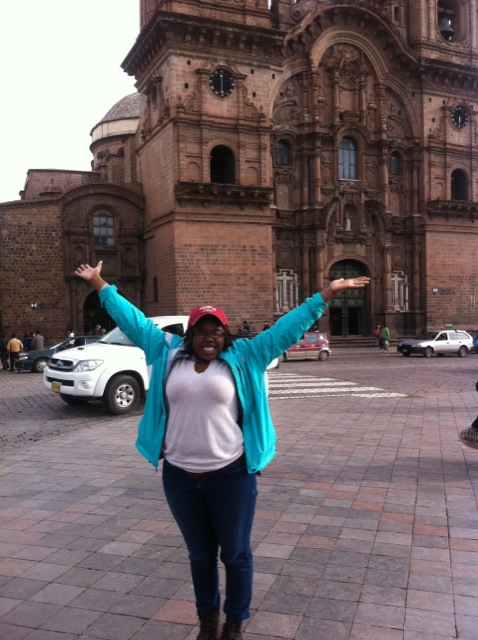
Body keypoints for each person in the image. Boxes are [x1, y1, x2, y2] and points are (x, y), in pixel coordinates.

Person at [75, 260, 370, 640]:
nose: (209, 338)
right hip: (179, 477)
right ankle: (208, 624)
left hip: (230, 475)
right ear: (190, 334)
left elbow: (286, 329)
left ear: (225, 334)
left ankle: (233, 625)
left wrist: (325, 295)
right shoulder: (165, 352)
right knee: (200, 557)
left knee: (235, 554)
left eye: (216, 331)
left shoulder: (248, 355)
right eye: (201, 331)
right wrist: (100, 283)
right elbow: (134, 321)